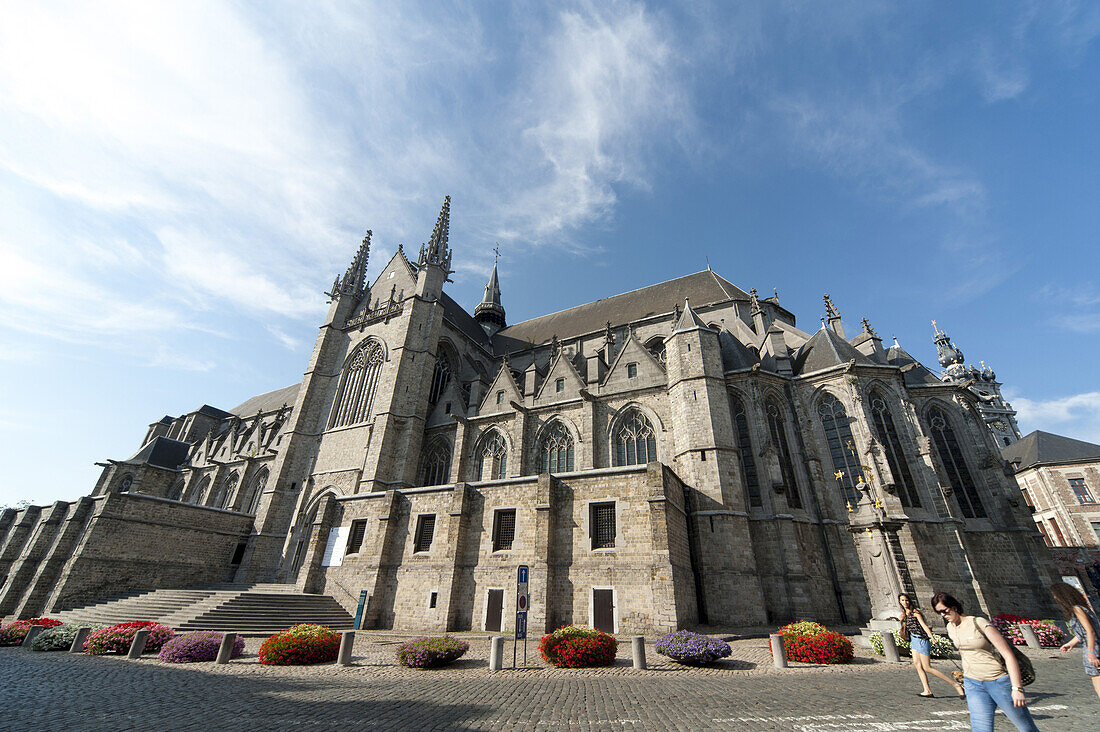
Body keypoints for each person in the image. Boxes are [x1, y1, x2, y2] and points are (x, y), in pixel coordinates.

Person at [931, 592, 1039, 732]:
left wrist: (1017, 688)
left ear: (954, 607)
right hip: (974, 684)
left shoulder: (979, 623)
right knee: (981, 729)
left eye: (944, 611)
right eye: (938, 613)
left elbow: (1008, 655)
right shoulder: (950, 628)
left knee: (1026, 728)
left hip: (998, 681)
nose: (942, 615)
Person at [898, 593, 965, 698]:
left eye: (906, 600)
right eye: (902, 600)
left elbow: (924, 626)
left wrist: (932, 637)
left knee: (927, 667)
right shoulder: (904, 614)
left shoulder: (915, 613)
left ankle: (956, 685)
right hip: (913, 640)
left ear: (909, 601)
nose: (905, 602)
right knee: (917, 665)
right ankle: (927, 690)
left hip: (921, 640)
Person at [1051, 581, 1100, 700]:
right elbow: (1083, 632)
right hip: (1093, 646)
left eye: (1055, 594)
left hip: (1093, 647)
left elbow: (1090, 631)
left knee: (1097, 680)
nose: (1055, 597)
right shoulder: (1083, 608)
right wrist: (1071, 643)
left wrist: (1091, 652)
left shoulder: (1077, 609)